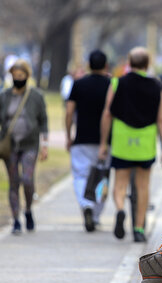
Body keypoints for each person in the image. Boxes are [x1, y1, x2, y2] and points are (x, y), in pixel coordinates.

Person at [98, 47, 162, 242]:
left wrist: (103, 143)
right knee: (143, 186)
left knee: (120, 184)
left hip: (122, 140)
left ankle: (121, 209)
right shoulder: (156, 85)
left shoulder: (117, 83)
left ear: (129, 63)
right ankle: (139, 229)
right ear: (147, 65)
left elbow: (107, 113)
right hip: (145, 143)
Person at [0, 59, 49, 234]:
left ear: (27, 76)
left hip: (30, 144)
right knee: (13, 182)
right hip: (9, 147)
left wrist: (45, 145)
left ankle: (28, 210)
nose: (18, 78)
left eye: (21, 75)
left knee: (27, 179)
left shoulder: (36, 97)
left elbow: (43, 122)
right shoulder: (4, 97)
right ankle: (16, 219)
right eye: (15, 76)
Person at [65, 50, 111, 232]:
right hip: (106, 140)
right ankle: (97, 215)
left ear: (89, 65)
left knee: (80, 175)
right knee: (102, 177)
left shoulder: (78, 84)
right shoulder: (111, 85)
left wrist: (69, 136)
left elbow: (69, 112)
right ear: (106, 66)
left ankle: (86, 206)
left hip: (82, 138)